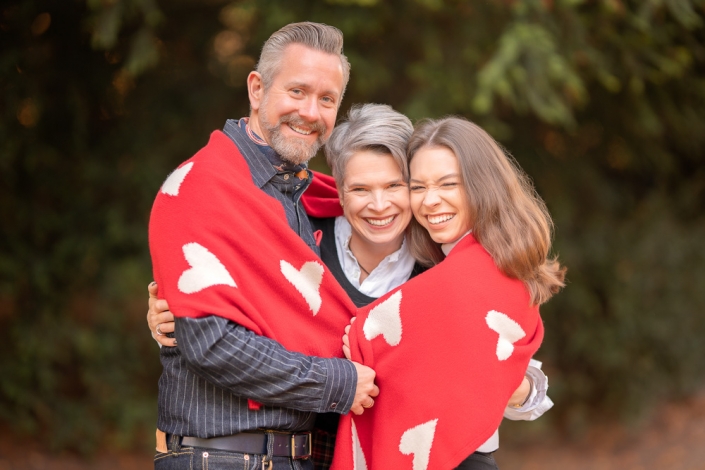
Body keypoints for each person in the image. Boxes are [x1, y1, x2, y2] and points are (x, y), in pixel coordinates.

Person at [150, 105, 555, 469]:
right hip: (311, 453)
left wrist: (498, 377)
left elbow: (522, 377)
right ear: (338, 188)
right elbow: (237, 320)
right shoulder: (298, 244)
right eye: (360, 189)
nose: (379, 206)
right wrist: (175, 319)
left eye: (396, 186)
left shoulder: (443, 264)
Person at [148, 22, 379, 470]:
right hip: (222, 457)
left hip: (309, 456)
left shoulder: (320, 203)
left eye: (327, 99)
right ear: (257, 89)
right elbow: (211, 343)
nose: (311, 112)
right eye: (297, 91)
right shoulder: (203, 188)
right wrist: (337, 382)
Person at [338, 115, 565, 468]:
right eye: (418, 187)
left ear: (481, 185)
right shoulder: (443, 267)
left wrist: (505, 382)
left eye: (448, 184)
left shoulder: (485, 272)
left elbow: (526, 387)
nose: (430, 201)